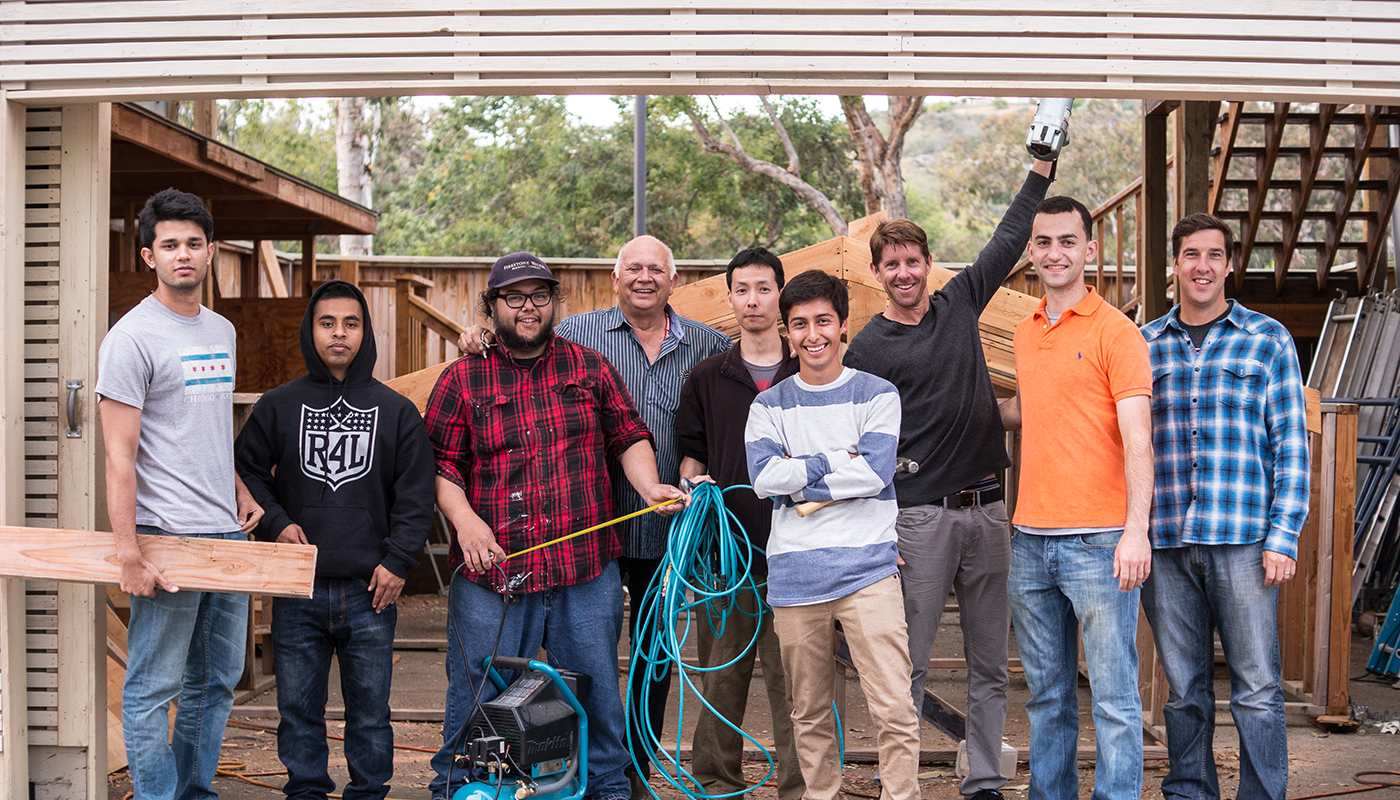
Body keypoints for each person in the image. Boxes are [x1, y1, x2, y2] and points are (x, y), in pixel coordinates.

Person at [460, 236, 731, 792]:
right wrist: (479, 336)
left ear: (673, 280)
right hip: (593, 531)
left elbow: (703, 422)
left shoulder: (709, 345)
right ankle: (521, 774)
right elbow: (517, 338)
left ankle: (631, 774)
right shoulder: (578, 336)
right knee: (585, 664)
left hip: (669, 530)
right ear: (615, 278)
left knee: (651, 662)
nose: (644, 277)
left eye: (656, 268)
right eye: (633, 267)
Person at [843, 157, 1053, 800]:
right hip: (919, 518)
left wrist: (1041, 170)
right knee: (907, 661)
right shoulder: (866, 350)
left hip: (990, 511)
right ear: (878, 274)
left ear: (929, 264)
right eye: (892, 264)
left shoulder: (960, 302)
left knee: (991, 663)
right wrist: (881, 527)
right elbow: (857, 451)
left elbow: (1010, 235)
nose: (905, 273)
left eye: (914, 261)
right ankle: (897, 775)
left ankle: (984, 777)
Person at [235, 280, 436, 800]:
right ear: (311, 330)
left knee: (370, 712)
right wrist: (276, 522)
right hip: (298, 586)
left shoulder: (396, 412)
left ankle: (369, 791)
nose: (339, 334)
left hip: (372, 588)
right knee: (297, 708)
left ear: (365, 332)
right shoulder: (279, 405)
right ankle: (305, 790)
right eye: (327, 323)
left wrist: (398, 561)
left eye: (351, 323)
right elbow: (245, 470)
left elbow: (416, 497)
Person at [96, 188, 264, 800]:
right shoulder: (132, 338)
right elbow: (119, 457)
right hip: (167, 537)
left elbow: (208, 430)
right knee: (153, 686)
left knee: (217, 680)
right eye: (170, 245)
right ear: (149, 256)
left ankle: (195, 792)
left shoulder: (221, 330)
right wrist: (128, 552)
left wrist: (239, 490)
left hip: (225, 531)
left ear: (212, 251)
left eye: (194, 243)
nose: (183, 254)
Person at [1139, 213, 1309, 800]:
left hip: (1243, 541)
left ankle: (1262, 795)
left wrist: (1283, 536)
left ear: (1229, 264)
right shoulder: (1145, 344)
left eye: (1214, 255)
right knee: (1184, 689)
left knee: (1257, 687)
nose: (1202, 267)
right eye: (1191, 255)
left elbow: (1291, 442)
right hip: (1166, 542)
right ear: (1176, 266)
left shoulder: (1267, 339)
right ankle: (1190, 790)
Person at [745, 270, 921, 800]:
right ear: (787, 331)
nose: (812, 334)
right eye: (799, 324)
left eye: (823, 321)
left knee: (893, 705)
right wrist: (834, 460)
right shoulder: (768, 405)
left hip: (869, 574)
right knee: (810, 711)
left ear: (843, 326)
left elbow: (875, 473)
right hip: (796, 579)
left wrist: (802, 479)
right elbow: (763, 479)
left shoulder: (877, 394)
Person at [1000, 195, 1153, 800]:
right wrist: (966, 414)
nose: (1055, 252)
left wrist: (1135, 531)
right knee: (1048, 698)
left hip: (1100, 539)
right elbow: (1031, 410)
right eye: (1044, 242)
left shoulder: (1118, 331)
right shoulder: (1024, 332)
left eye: (1068, 241)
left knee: (1114, 701)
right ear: (1031, 252)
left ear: (1089, 250)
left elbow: (1139, 439)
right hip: (1030, 539)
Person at [675, 247, 803, 800]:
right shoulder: (708, 376)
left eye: (764, 288)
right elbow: (693, 457)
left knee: (797, 687)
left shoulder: (808, 370)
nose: (753, 300)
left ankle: (801, 787)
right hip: (725, 559)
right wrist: (691, 488)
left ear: (780, 295)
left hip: (799, 558)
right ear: (730, 299)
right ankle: (714, 784)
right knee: (721, 681)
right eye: (742, 289)